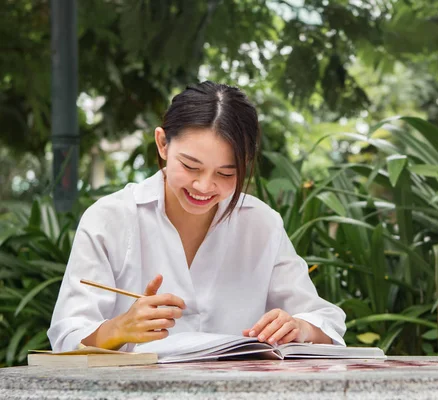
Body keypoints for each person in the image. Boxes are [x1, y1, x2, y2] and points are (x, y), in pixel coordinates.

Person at [48, 82, 346, 352]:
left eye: (225, 173)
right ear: (163, 144)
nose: (204, 186)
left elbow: (325, 321)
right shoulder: (109, 219)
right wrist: (118, 328)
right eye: (190, 167)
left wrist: (300, 327)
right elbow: (67, 337)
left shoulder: (261, 223)